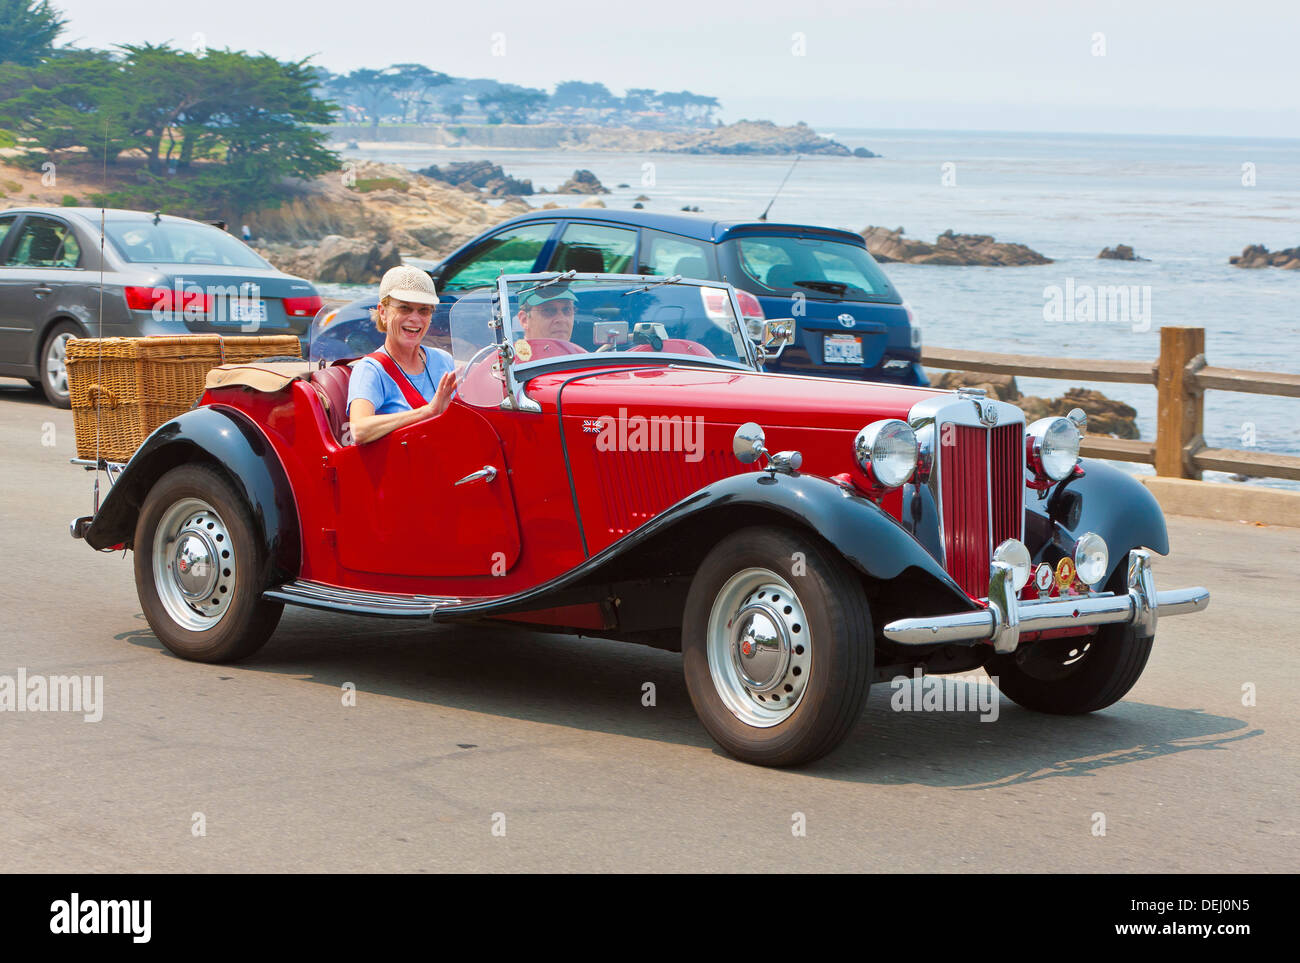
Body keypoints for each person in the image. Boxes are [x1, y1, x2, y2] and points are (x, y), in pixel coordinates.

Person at [347, 265, 457, 445]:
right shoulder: (370, 369)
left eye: (424, 310)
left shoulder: (443, 359)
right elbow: (359, 430)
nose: (415, 318)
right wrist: (427, 412)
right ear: (383, 312)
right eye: (404, 308)